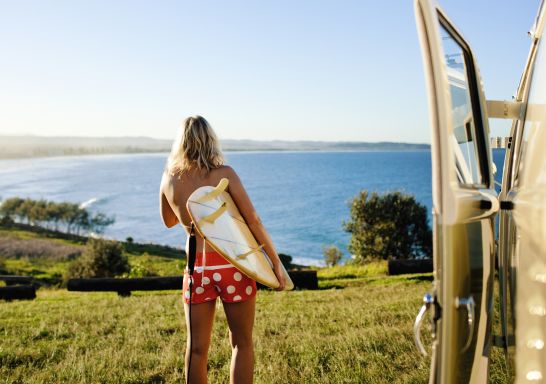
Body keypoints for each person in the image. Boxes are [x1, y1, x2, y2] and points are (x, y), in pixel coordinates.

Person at [159, 115, 286, 384]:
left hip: (197, 269)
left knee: (196, 349)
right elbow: (253, 219)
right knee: (242, 343)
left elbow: (169, 221)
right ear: (210, 140)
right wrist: (274, 262)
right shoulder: (224, 175)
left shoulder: (170, 178)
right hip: (234, 265)